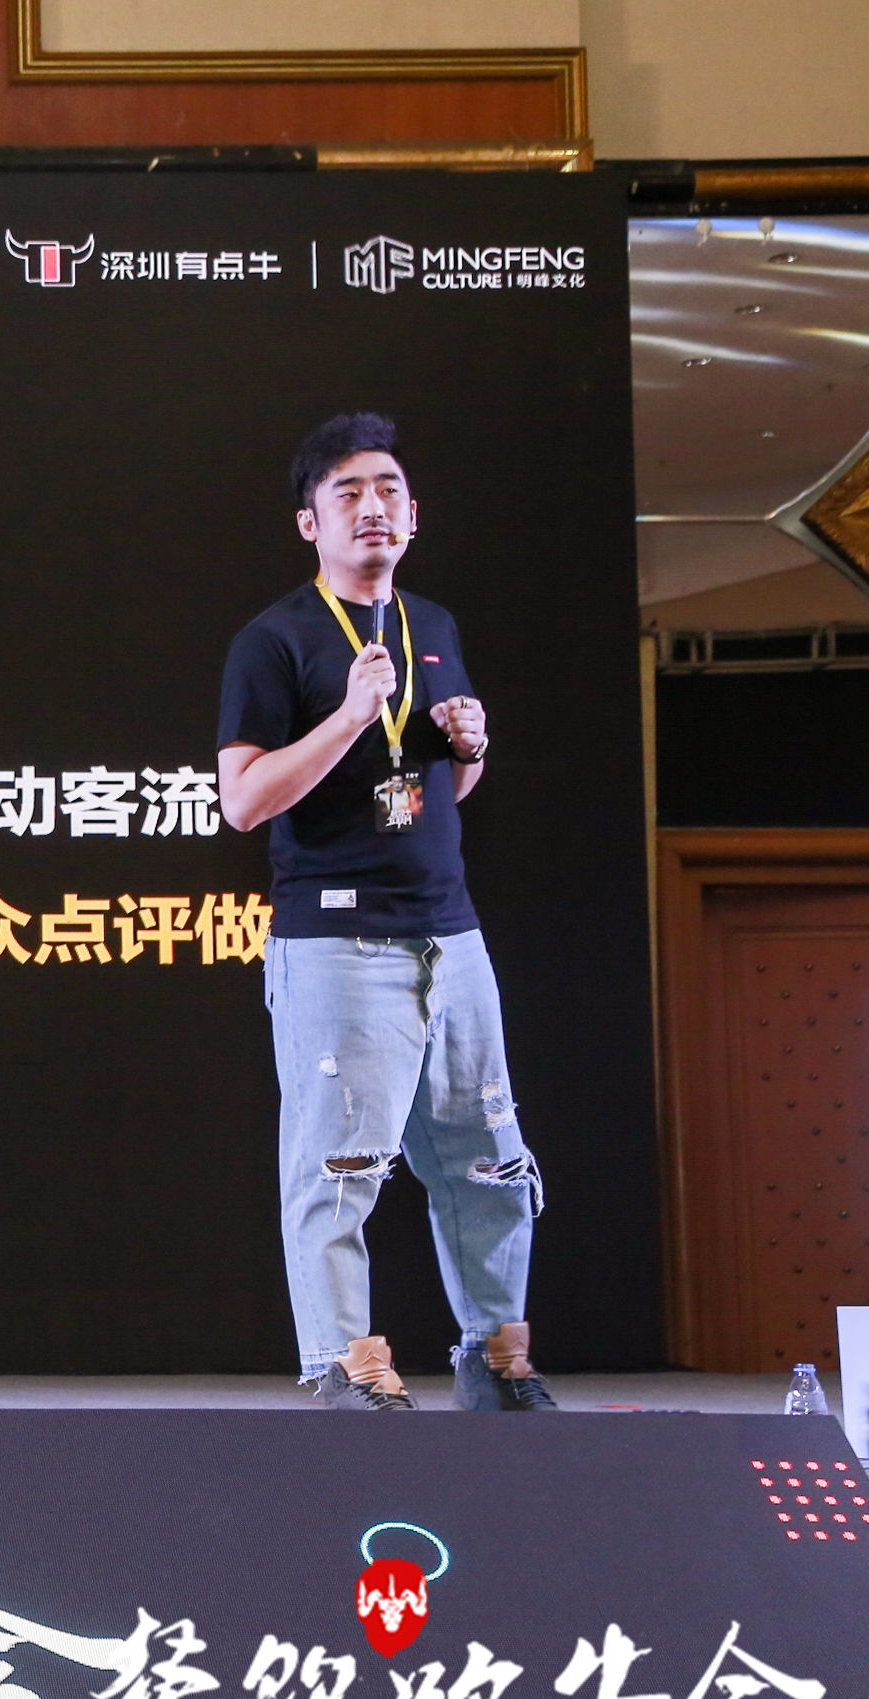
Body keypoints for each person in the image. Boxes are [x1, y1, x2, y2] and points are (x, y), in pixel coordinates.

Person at [214, 412, 553, 1412]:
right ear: (310, 523)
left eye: (390, 490)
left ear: (413, 516)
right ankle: (346, 1368)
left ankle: (498, 1360)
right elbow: (244, 801)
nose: (374, 506)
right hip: (338, 941)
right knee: (340, 1166)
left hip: (452, 936)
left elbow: (437, 793)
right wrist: (350, 716)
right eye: (349, 492)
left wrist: (470, 748)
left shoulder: (432, 626)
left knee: (487, 1161)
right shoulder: (274, 640)